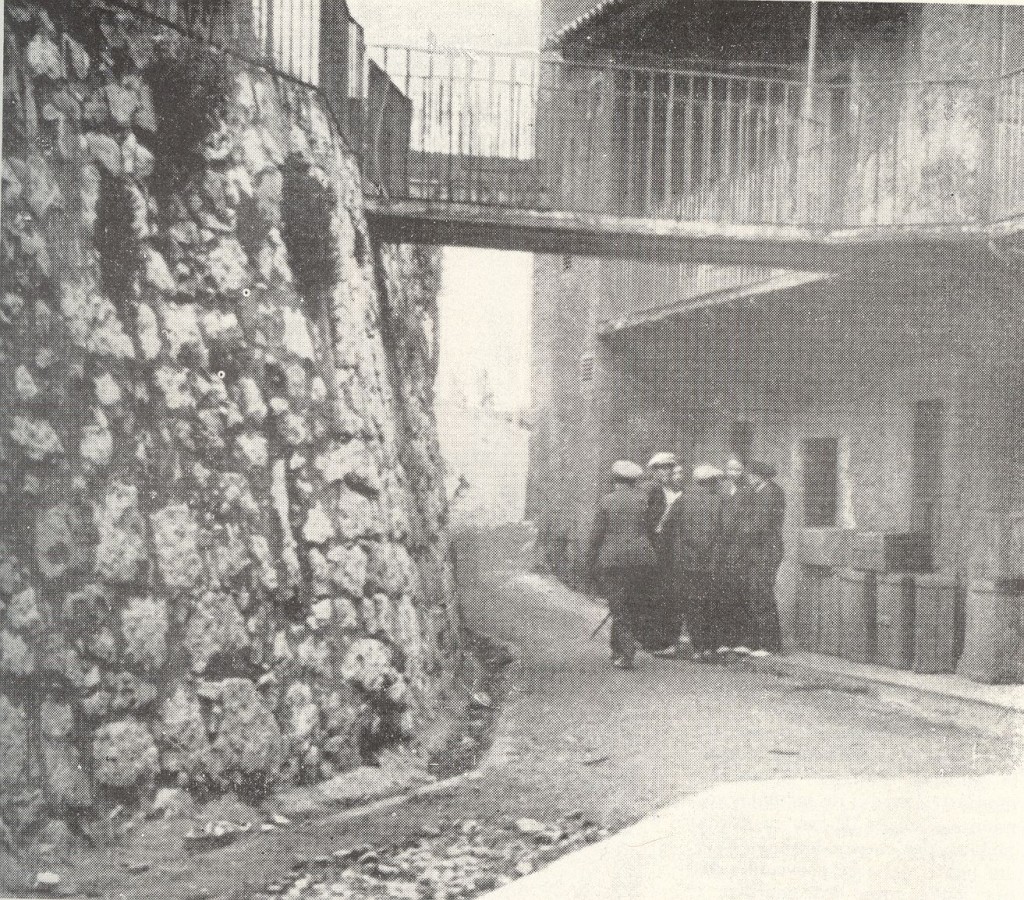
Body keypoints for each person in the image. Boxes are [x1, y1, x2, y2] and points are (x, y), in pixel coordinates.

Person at [587, 460, 659, 669]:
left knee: (618, 607)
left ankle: (626, 652)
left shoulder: (607, 501)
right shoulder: (643, 500)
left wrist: (590, 562)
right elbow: (651, 530)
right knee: (630, 604)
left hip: (613, 561)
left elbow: (596, 537)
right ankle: (616, 648)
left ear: (615, 481)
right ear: (634, 482)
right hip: (641, 560)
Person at [662, 464, 723, 660]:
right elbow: (726, 530)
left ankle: (697, 648)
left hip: (687, 560)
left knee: (691, 603)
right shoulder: (719, 501)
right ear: (711, 482)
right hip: (711, 561)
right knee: (709, 602)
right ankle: (709, 647)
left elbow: (666, 525)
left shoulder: (683, 499)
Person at [744, 461, 785, 656]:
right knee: (755, 593)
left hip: (766, 550)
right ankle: (757, 641)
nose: (749, 477)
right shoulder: (760, 492)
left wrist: (741, 534)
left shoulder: (771, 493)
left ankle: (770, 644)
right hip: (758, 550)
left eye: (752, 474)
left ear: (761, 476)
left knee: (762, 593)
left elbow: (760, 525)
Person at [644, 452, 683, 656]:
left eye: (670, 468)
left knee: (666, 591)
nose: (667, 472)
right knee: (654, 591)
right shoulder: (651, 489)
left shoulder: (672, 490)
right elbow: (644, 519)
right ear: (655, 471)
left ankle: (664, 639)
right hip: (655, 545)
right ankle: (653, 639)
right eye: (663, 468)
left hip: (669, 546)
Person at [717, 456, 754, 655]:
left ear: (743, 472)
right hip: (722, 546)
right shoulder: (721, 489)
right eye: (731, 470)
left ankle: (743, 640)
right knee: (723, 593)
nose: (733, 474)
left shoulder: (747, 491)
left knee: (739, 593)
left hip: (738, 547)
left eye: (738, 470)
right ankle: (724, 639)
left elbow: (745, 520)